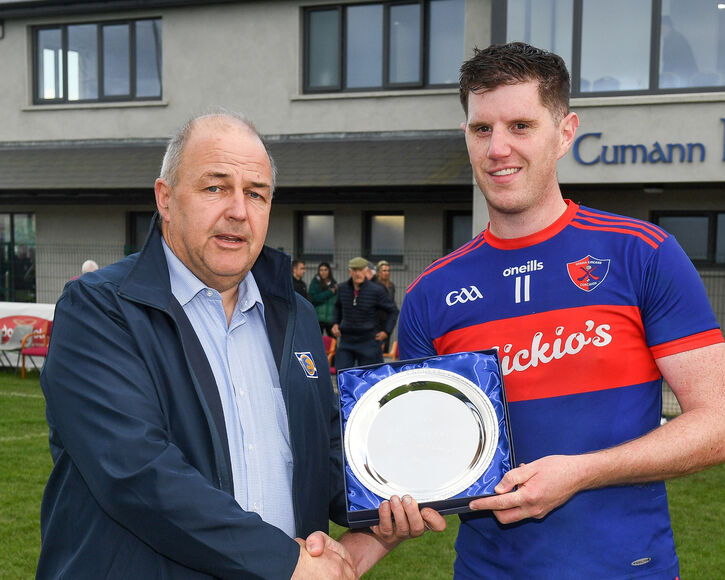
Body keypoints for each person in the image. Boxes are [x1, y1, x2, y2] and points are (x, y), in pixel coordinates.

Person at [37, 112, 444, 580]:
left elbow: (329, 454)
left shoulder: (296, 316)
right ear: (165, 199)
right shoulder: (99, 309)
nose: (238, 210)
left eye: (255, 193)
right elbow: (136, 473)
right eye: (215, 187)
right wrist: (284, 562)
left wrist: (393, 496)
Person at [398, 43, 725, 579]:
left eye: (520, 125)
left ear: (564, 133)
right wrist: (373, 529)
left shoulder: (642, 254)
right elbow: (415, 452)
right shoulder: (430, 293)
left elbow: (723, 426)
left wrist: (583, 473)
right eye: (481, 129)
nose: (498, 149)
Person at [332, 256, 398, 369]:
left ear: (366, 271)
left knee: (370, 377)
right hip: (347, 340)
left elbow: (393, 310)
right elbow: (337, 306)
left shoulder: (376, 290)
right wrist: (335, 323)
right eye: (355, 270)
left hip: (369, 341)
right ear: (350, 271)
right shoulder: (342, 288)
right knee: (342, 375)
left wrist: (386, 332)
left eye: (361, 270)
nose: (358, 274)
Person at [309, 261, 338, 336]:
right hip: (318, 319)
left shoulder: (334, 284)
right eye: (321, 270)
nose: (323, 272)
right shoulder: (314, 283)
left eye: (325, 270)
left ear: (329, 271)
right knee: (317, 343)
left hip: (330, 319)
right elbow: (314, 298)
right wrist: (330, 292)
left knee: (332, 343)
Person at [374, 260, 396, 353]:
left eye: (388, 271)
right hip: (376, 320)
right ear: (378, 272)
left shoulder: (391, 285)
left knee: (386, 347)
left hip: (388, 320)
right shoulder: (374, 285)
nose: (386, 273)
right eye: (384, 271)